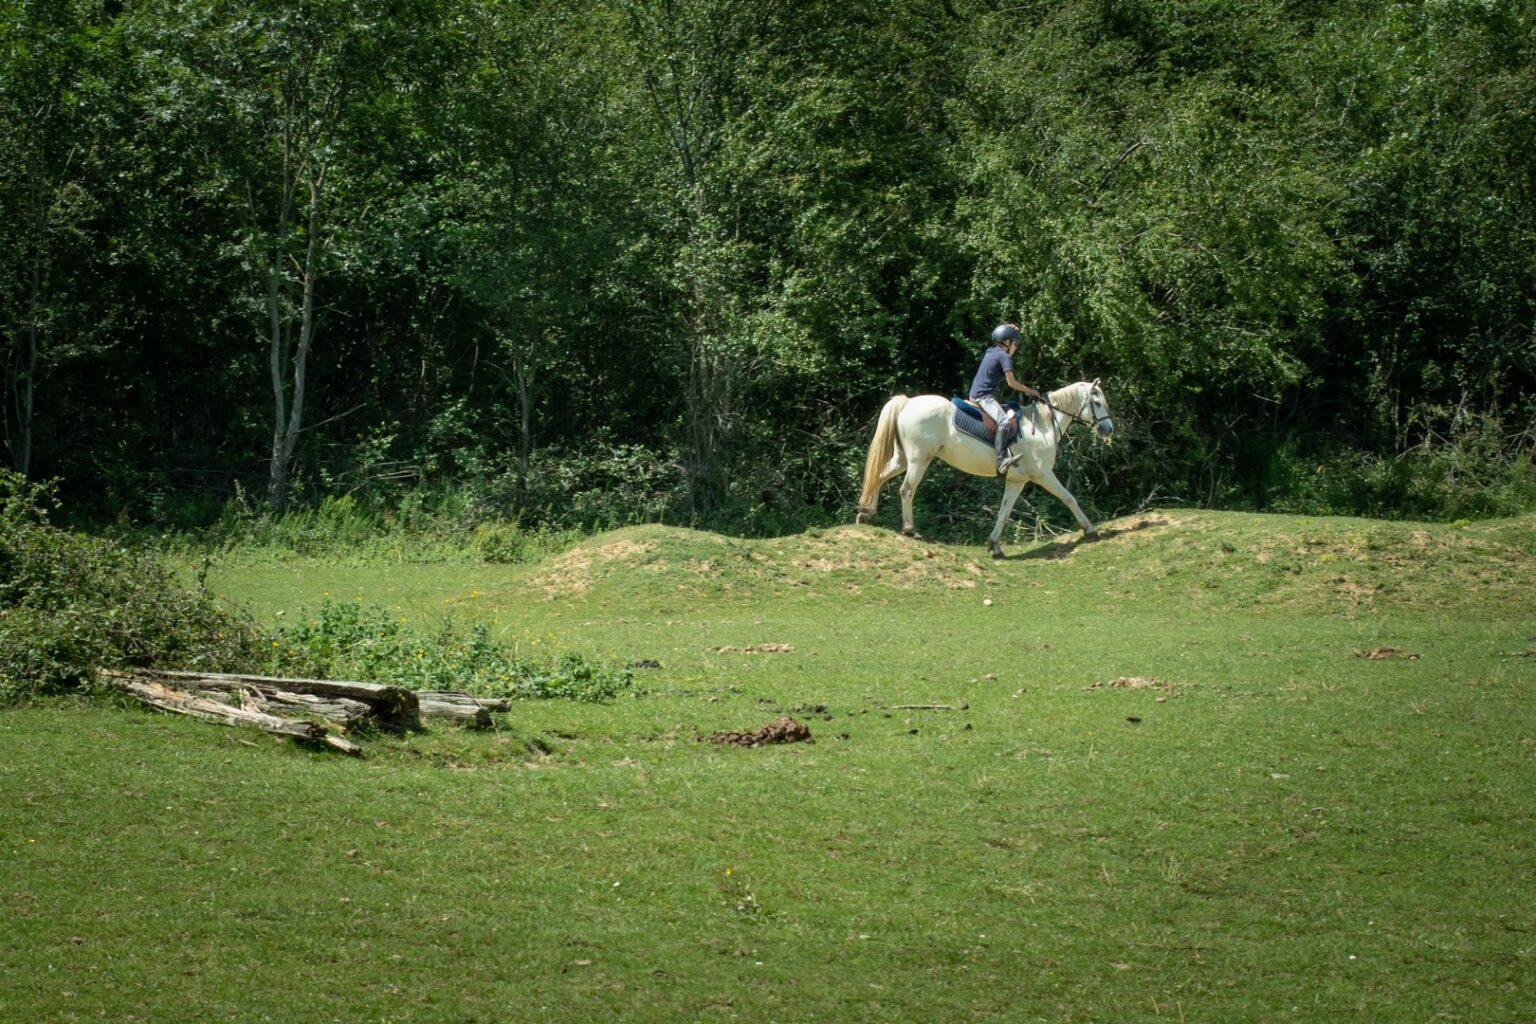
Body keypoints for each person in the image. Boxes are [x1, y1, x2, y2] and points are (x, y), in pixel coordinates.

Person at [969, 323, 1043, 473]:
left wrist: (1008, 330)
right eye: (1015, 343)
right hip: (983, 397)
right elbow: (1012, 383)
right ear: (1007, 342)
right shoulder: (1004, 357)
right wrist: (1032, 391)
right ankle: (1001, 460)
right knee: (1004, 421)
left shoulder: (991, 351)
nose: (1015, 347)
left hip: (976, 394)